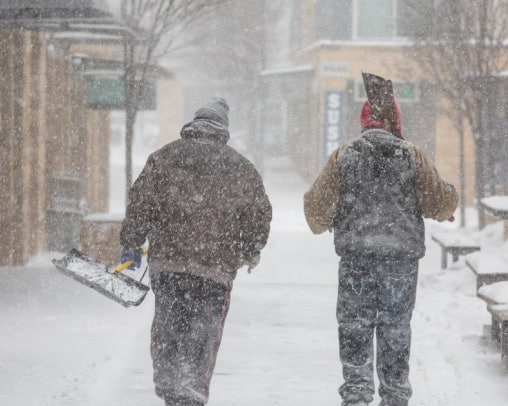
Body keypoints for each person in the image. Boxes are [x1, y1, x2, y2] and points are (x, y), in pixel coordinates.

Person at [303, 95, 458, 406]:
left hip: (356, 259)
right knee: (395, 327)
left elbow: (315, 213)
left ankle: (357, 393)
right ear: (396, 121)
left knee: (354, 325)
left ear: (364, 121)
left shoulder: (343, 155)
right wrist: (448, 200)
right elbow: (440, 203)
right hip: (401, 261)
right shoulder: (412, 155)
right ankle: (395, 394)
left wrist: (337, 216)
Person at [119, 97, 272, 406]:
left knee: (168, 326)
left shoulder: (164, 157)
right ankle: (191, 389)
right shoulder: (241, 167)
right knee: (205, 334)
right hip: (214, 271)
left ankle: (168, 379)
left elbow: (140, 202)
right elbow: (259, 216)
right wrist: (247, 249)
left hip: (169, 265)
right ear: (223, 130)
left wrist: (132, 243)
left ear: (194, 124)